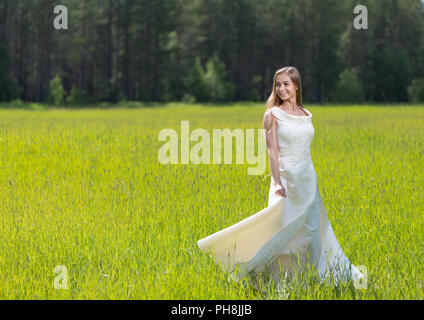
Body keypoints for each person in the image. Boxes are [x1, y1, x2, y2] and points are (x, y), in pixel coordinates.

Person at [197, 66, 363, 290]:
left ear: (296, 85)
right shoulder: (272, 115)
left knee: (312, 232)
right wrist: (276, 182)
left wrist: (311, 178)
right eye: (278, 84)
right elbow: (272, 151)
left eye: (286, 84)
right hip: (285, 180)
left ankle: (309, 281)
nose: (282, 88)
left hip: (308, 180)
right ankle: (262, 273)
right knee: (283, 232)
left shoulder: (306, 114)